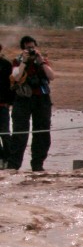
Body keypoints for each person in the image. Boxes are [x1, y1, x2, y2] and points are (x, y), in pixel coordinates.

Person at [8, 36, 55, 172]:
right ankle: (14, 165)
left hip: (42, 99)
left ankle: (37, 164)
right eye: (28, 48)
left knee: (42, 132)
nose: (31, 50)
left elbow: (51, 76)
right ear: (23, 49)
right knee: (20, 132)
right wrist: (24, 62)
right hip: (23, 99)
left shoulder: (42, 61)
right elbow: (16, 77)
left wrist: (41, 62)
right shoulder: (17, 61)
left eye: (33, 47)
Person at [0, 42, 12, 165]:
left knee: (5, 133)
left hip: (3, 105)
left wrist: (9, 102)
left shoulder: (6, 65)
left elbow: (10, 85)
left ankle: (8, 159)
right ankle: (1, 158)